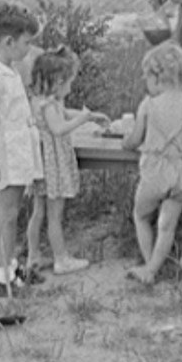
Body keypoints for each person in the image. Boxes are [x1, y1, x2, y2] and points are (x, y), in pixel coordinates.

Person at [122, 42, 182, 284]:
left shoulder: (148, 105)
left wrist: (125, 141)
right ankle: (154, 267)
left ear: (156, 77)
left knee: (141, 216)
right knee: (167, 225)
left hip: (154, 170)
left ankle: (149, 267)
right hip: (180, 170)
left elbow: (135, 139)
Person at [0, 1, 42, 297]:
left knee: (13, 213)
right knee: (5, 216)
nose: (29, 49)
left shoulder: (9, 70)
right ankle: (2, 276)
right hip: (3, 155)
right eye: (26, 42)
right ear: (8, 42)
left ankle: (11, 266)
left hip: (18, 153)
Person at [26, 47, 109, 276]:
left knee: (38, 210)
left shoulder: (39, 100)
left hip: (41, 163)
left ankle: (33, 255)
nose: (71, 87)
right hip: (53, 163)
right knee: (54, 214)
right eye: (70, 82)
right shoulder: (49, 105)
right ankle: (61, 259)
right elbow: (58, 128)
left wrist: (89, 116)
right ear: (58, 81)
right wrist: (82, 120)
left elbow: (62, 114)